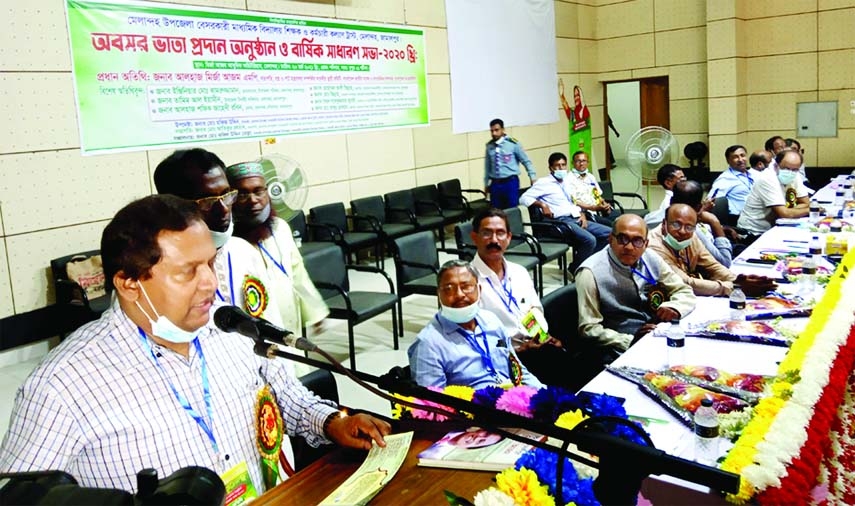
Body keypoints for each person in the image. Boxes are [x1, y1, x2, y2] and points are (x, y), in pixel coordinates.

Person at [0, 195, 390, 495]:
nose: (211, 284)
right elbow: (25, 498)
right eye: (188, 271)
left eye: (210, 263)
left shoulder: (230, 326)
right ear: (129, 283)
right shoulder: (60, 386)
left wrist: (333, 421)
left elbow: (287, 396)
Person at [154, 149, 282, 326]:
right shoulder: (154, 268)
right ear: (173, 206)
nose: (223, 209)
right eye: (207, 201)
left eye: (227, 195)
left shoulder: (243, 251)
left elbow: (272, 319)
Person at [468, 207, 569, 387]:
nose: (494, 240)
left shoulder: (519, 272)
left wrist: (541, 336)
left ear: (508, 238)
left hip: (536, 347)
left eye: (500, 233)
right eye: (486, 233)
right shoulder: (468, 281)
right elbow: (472, 336)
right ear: (474, 237)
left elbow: (535, 309)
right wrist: (517, 349)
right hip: (505, 360)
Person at [225, 161, 328, 334]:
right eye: (242, 194)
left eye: (258, 191)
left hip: (290, 317)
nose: (253, 200)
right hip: (255, 327)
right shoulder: (229, 243)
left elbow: (297, 273)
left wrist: (316, 312)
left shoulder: (279, 228)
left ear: (268, 192)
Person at [575, 214, 695, 361]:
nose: (629, 247)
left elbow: (683, 290)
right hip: (621, 349)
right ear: (610, 239)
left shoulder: (650, 257)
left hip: (657, 333)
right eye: (623, 239)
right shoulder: (590, 273)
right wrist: (629, 340)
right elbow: (588, 329)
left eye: (637, 241)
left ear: (646, 243)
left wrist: (675, 307)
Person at [408, 259, 543, 390]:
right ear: (438, 294)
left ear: (479, 289)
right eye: (449, 289)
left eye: (466, 287)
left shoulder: (492, 321)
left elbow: (519, 371)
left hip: (513, 400)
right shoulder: (428, 344)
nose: (459, 294)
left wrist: (545, 395)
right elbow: (433, 405)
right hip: (475, 409)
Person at [647, 204, 775, 297]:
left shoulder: (692, 236)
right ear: (664, 224)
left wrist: (738, 280)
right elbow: (684, 282)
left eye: (689, 227)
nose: (682, 231)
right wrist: (734, 287)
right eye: (676, 225)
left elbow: (712, 266)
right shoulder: (653, 245)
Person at [520, 152, 611, 271]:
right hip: (560, 222)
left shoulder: (567, 181)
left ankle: (589, 264)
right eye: (557, 166)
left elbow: (573, 202)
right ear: (551, 168)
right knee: (589, 240)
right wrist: (542, 204)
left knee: (609, 234)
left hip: (576, 217)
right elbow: (523, 198)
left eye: (563, 165)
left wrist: (582, 213)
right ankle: (575, 269)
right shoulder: (543, 183)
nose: (561, 168)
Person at [737, 149, 810, 240]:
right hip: (754, 232)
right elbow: (785, 214)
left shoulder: (794, 175)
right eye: (786, 168)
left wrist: (789, 211)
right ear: (776, 165)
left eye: (795, 169)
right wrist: (810, 210)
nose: (790, 172)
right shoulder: (767, 178)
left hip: (777, 226)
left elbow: (805, 203)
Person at [672, 180, 734, 267]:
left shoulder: (673, 220)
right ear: (699, 206)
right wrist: (714, 222)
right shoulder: (690, 230)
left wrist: (721, 228)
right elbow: (724, 263)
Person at [484, 118, 536, 209]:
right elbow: (487, 167)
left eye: (496, 130)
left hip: (510, 182)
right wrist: (486, 184)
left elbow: (526, 161)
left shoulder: (513, 144)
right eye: (492, 131)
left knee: (512, 209)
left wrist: (532, 177)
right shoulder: (489, 146)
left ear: (503, 130)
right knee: (496, 210)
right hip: (495, 183)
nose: (494, 133)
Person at [565, 150, 613, 225]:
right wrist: (593, 207)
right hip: (585, 213)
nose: (581, 164)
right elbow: (574, 201)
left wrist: (605, 205)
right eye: (578, 161)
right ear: (573, 163)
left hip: (598, 210)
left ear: (588, 162)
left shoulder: (590, 177)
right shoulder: (568, 179)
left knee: (622, 220)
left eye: (584, 161)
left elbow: (597, 195)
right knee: (613, 226)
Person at [708, 145, 757, 218]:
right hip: (739, 218)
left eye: (742, 155)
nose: (740, 159)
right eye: (735, 157)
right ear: (728, 161)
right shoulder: (725, 179)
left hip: (756, 214)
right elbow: (710, 201)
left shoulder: (753, 174)